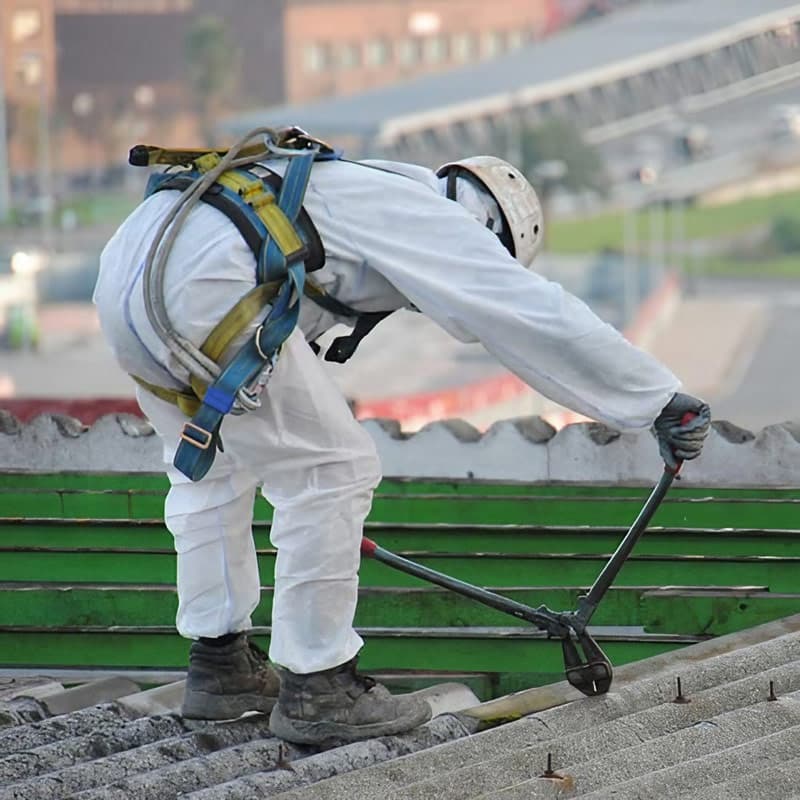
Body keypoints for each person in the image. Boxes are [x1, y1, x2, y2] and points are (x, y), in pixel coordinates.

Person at [93, 127, 710, 746]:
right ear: (487, 226)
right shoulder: (430, 217)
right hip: (205, 289)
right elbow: (528, 312)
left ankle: (220, 665)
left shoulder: (354, 187)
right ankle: (318, 687)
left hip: (131, 283)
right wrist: (656, 399)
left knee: (212, 469)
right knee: (332, 470)